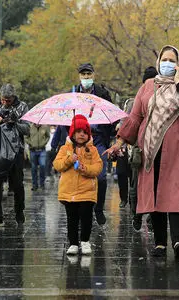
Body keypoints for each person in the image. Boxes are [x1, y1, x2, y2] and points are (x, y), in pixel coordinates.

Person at [105, 45, 179, 259]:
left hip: (178, 151)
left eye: (172, 60)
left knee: (177, 192)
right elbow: (135, 117)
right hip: (151, 152)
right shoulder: (148, 86)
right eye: (164, 59)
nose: (167, 63)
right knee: (156, 193)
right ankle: (160, 243)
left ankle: (178, 240)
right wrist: (119, 142)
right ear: (158, 61)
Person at [51, 63, 113, 225]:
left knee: (100, 176)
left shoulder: (102, 93)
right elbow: (65, 117)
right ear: (79, 76)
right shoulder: (72, 94)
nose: (86, 77)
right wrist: (68, 136)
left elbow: (110, 113)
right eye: (83, 75)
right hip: (78, 137)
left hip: (98, 138)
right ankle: (80, 209)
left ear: (93, 75)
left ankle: (98, 209)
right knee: (78, 174)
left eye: (89, 74)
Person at [53, 115, 103, 255]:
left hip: (87, 191)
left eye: (85, 132)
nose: (82, 134)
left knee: (86, 217)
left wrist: (85, 169)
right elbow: (57, 164)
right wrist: (69, 159)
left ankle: (85, 241)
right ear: (72, 133)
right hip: (69, 192)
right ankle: (73, 243)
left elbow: (98, 167)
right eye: (79, 131)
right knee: (72, 218)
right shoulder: (65, 148)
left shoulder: (92, 150)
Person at [0, 84, 30, 228]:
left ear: (13, 97)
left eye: (9, 101)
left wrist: (15, 122)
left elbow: (27, 129)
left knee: (17, 184)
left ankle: (19, 212)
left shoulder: (22, 107)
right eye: (3, 100)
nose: (5, 103)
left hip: (16, 151)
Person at [130, 66, 157, 231]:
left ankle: (144, 217)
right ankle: (138, 215)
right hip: (140, 149)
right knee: (139, 183)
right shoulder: (137, 100)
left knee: (144, 184)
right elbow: (130, 123)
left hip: (150, 149)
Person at [27, 123, 50, 190]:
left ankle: (42, 184)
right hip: (32, 150)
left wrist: (44, 143)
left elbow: (48, 136)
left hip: (42, 150)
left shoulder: (44, 127)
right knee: (34, 168)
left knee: (42, 165)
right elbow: (26, 137)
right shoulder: (30, 127)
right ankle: (35, 185)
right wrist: (31, 143)